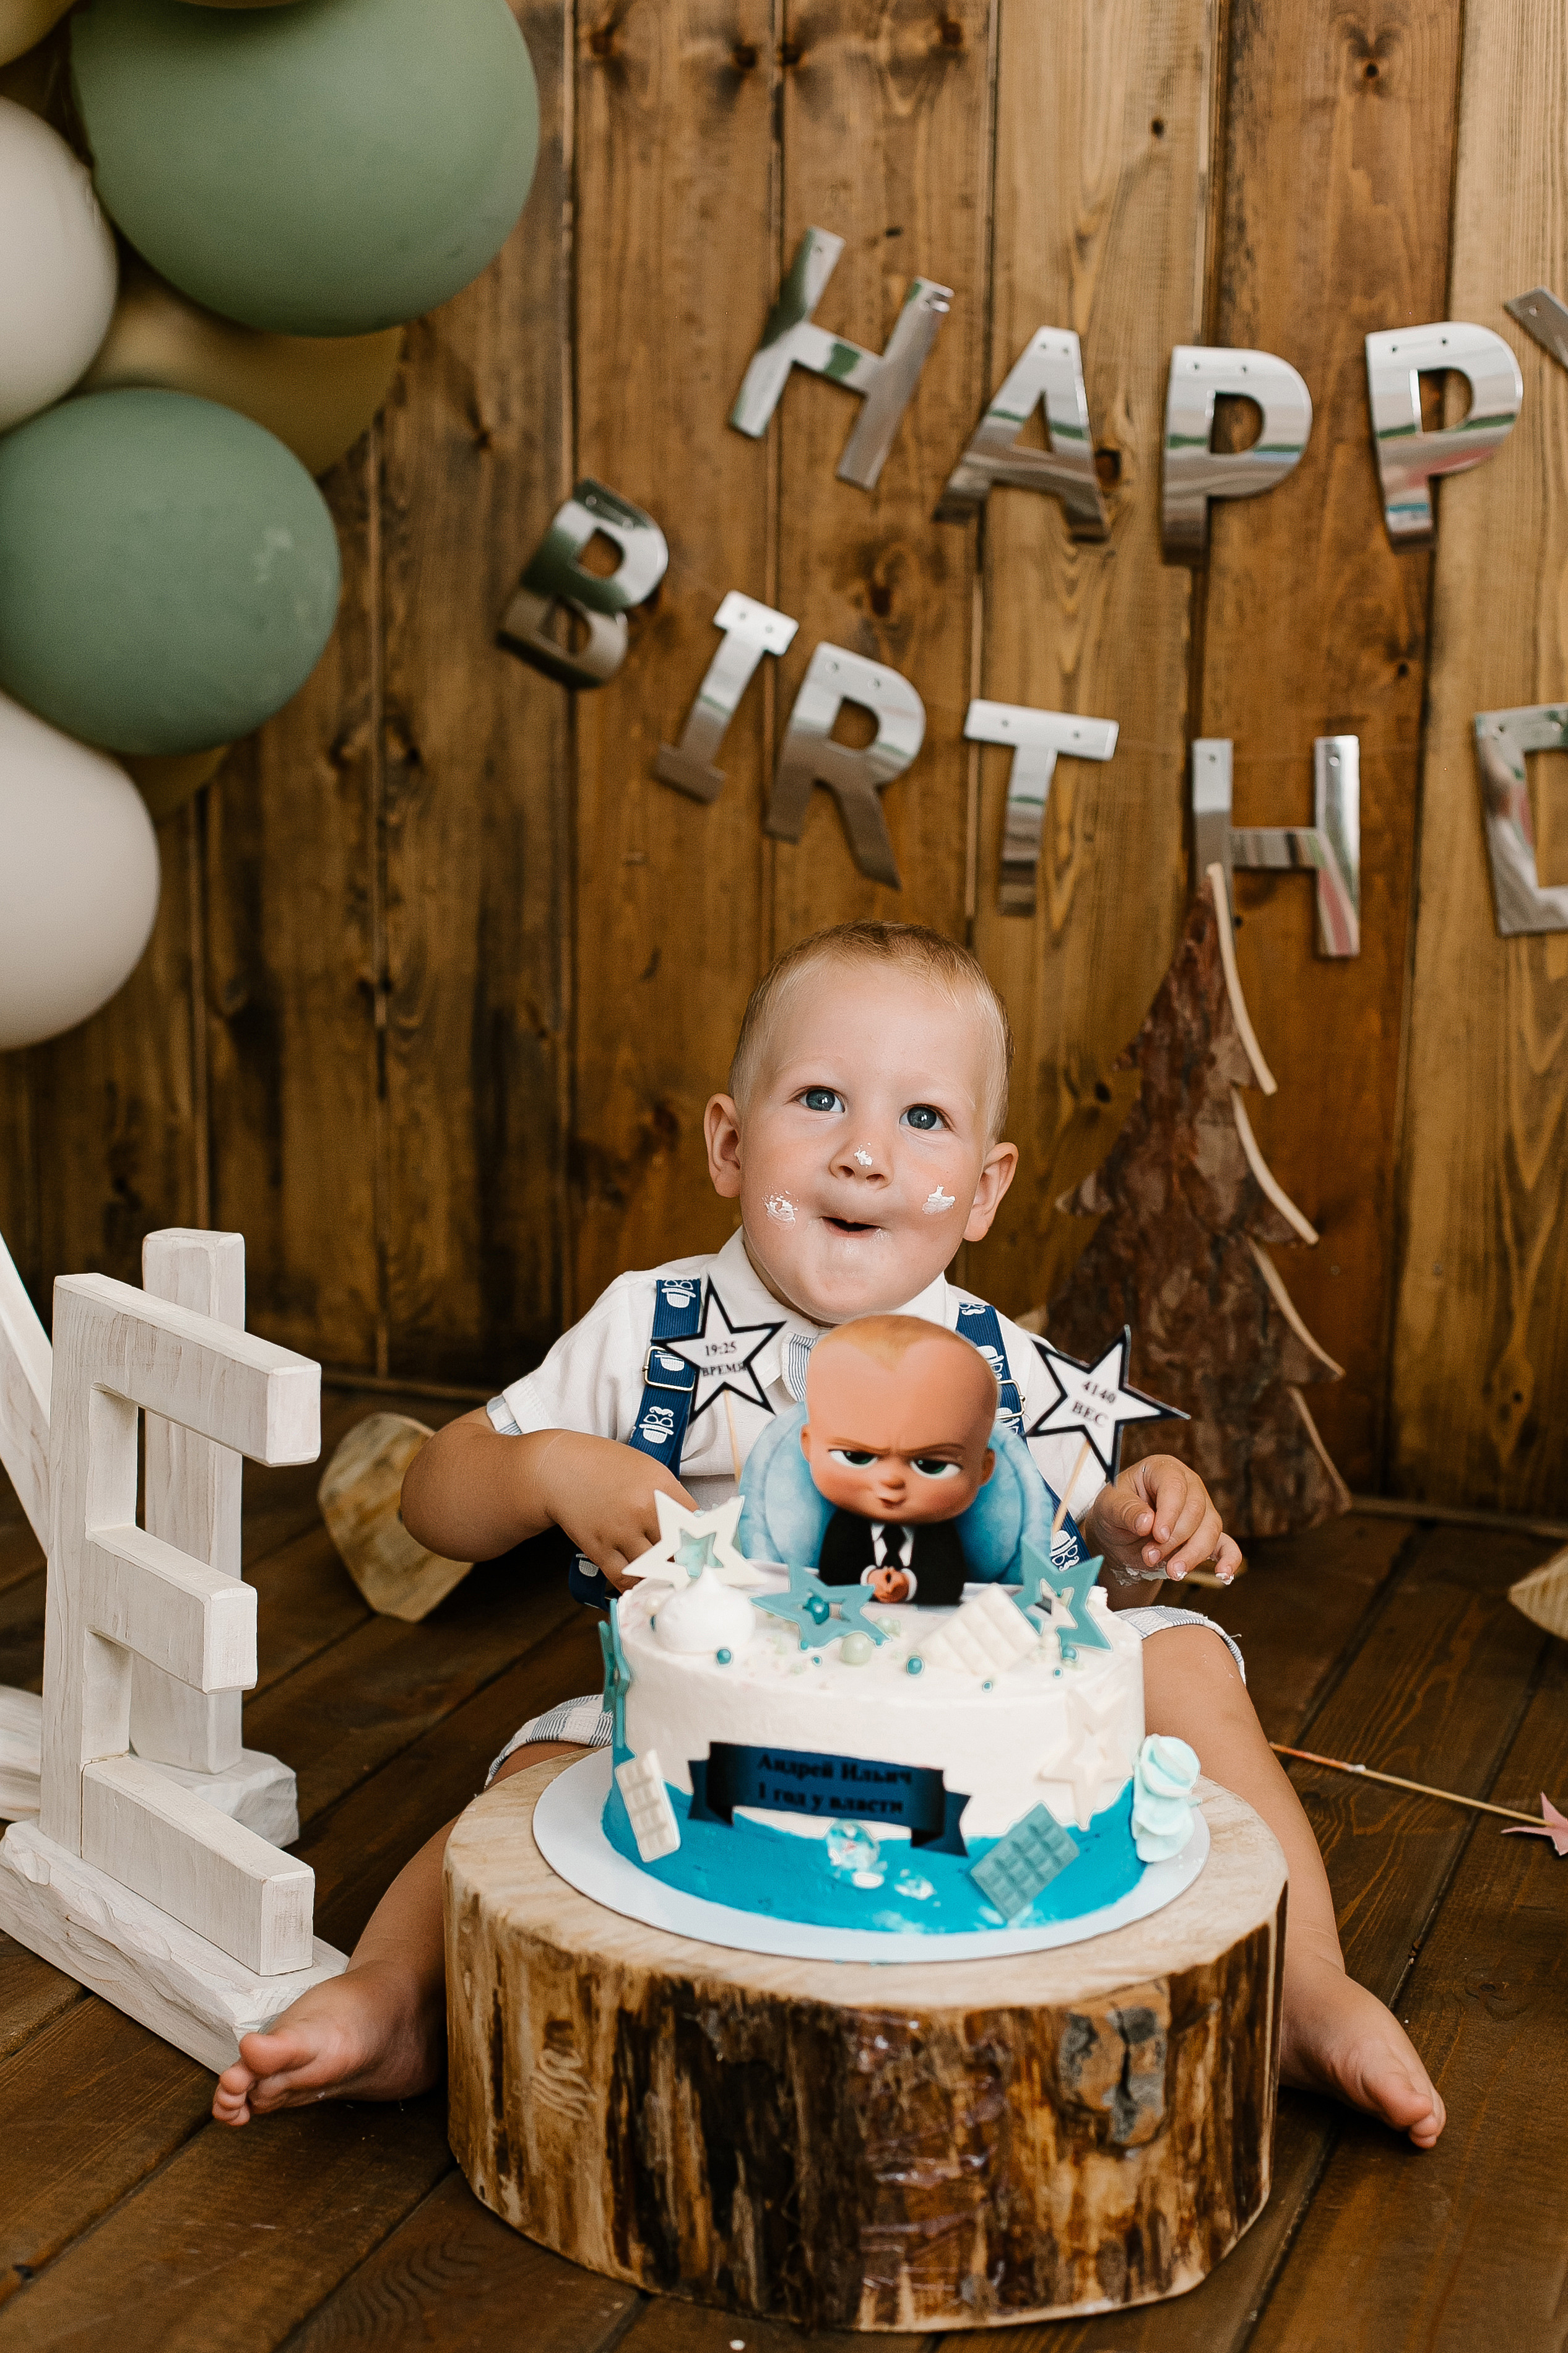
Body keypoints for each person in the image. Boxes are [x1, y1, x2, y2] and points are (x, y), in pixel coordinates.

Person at [212, 921, 1445, 2151]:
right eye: (819, 1100)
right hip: (708, 1746)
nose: (865, 1153)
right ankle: (400, 1994)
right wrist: (541, 1467)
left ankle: (1302, 1984)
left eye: (923, 1118)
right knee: (542, 1790)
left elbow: (1079, 1576)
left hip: (969, 1763)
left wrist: (1140, 1516)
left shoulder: (1013, 1374)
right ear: (731, 1145)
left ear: (986, 1188)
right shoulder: (654, 1330)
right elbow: (432, 1501)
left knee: (1176, 1661)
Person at [802, 1314, 1003, 1606]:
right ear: (809, 1446)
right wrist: (867, 1579)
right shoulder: (846, 1529)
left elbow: (949, 1581)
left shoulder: (939, 1536)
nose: (891, 1480)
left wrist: (909, 1585)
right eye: (857, 1456)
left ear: (983, 1469)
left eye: (931, 1465)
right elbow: (834, 1570)